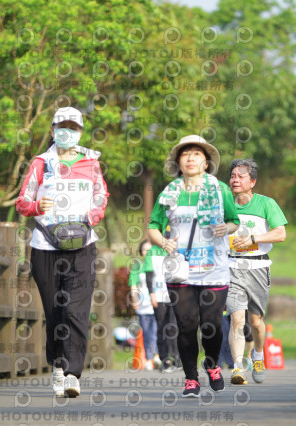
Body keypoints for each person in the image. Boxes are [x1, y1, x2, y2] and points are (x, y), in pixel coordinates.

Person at [15, 107, 109, 397]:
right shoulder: (41, 163)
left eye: (72, 127)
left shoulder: (91, 162)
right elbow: (22, 200)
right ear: (53, 129)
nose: (66, 132)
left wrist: (92, 215)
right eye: (61, 126)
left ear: (80, 131)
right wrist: (35, 207)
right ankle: (57, 364)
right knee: (55, 312)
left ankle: (72, 374)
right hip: (45, 245)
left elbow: (100, 196)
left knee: (76, 310)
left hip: (82, 245)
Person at [147, 135, 239, 398]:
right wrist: (163, 242)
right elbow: (153, 225)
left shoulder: (220, 189)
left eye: (196, 154)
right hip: (180, 267)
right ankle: (190, 378)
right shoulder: (169, 192)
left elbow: (234, 221)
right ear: (178, 161)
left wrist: (227, 227)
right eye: (185, 154)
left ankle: (212, 364)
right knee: (186, 324)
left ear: (206, 162)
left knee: (211, 324)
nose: (190, 158)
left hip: (214, 266)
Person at [226, 158, 287, 385]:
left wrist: (253, 238)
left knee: (256, 321)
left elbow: (280, 234)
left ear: (252, 181)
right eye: (232, 176)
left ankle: (258, 355)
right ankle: (237, 367)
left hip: (258, 267)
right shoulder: (225, 205)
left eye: (240, 176)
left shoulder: (266, 204)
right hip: (232, 267)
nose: (235, 180)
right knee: (236, 319)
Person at [144, 242, 181, 372]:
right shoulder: (152, 251)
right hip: (159, 295)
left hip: (175, 293)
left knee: (173, 327)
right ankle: (165, 358)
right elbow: (148, 274)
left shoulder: (176, 247)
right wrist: (151, 293)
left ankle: (177, 357)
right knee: (161, 327)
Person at [128, 240, 158, 371]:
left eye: (150, 250)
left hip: (157, 304)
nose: (148, 253)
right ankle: (149, 359)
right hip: (143, 306)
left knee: (157, 331)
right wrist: (134, 300)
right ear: (141, 251)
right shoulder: (137, 266)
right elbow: (134, 285)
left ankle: (157, 355)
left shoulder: (158, 265)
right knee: (146, 332)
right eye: (145, 250)